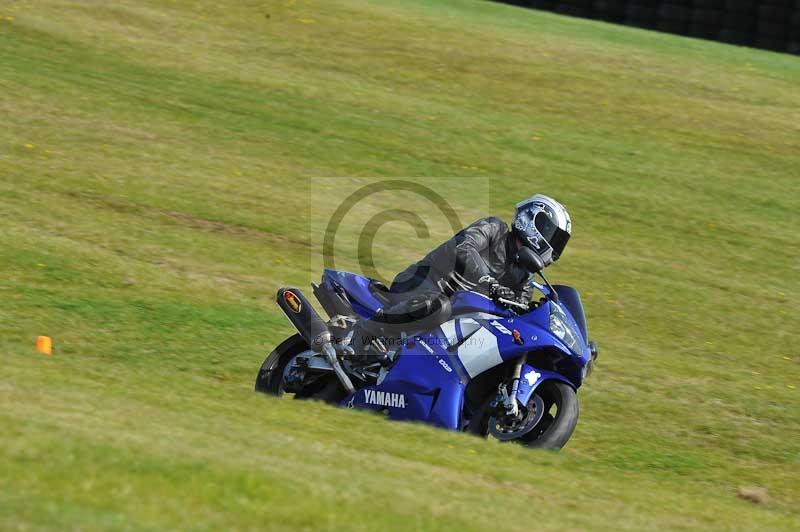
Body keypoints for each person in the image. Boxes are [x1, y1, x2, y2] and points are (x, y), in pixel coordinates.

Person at [350, 194, 572, 361]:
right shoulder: (494, 229)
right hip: (425, 286)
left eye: (559, 241)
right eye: (554, 237)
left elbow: (516, 314)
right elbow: (463, 247)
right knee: (440, 307)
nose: (555, 247)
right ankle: (367, 330)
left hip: (459, 319)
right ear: (533, 222)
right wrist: (488, 282)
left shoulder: (524, 275)